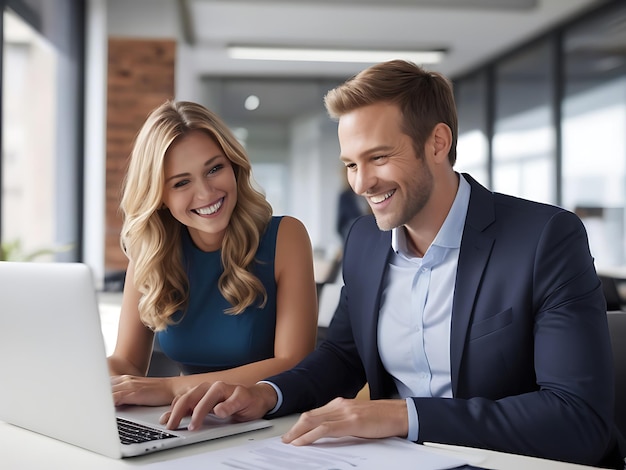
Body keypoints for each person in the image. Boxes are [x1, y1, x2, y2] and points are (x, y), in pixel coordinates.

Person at [159, 61, 624, 468]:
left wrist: (403, 416)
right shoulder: (366, 241)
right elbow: (343, 357)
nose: (361, 183)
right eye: (350, 164)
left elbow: (578, 419)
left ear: (438, 143)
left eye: (378, 157)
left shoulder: (544, 239)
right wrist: (268, 394)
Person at [107, 100, 318, 407]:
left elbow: (293, 362)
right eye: (181, 183)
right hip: (185, 421)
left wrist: (169, 390)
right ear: (160, 197)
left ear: (234, 165)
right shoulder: (150, 251)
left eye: (214, 168)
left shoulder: (286, 236)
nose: (206, 194)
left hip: (265, 423)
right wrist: (88, 376)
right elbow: (127, 363)